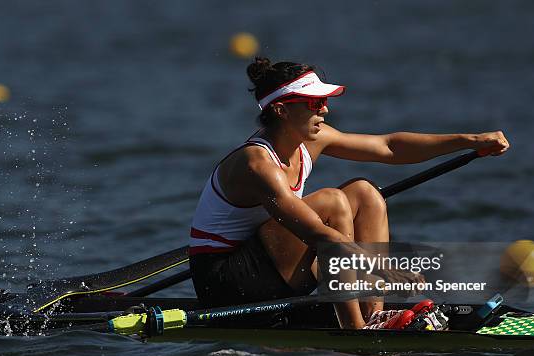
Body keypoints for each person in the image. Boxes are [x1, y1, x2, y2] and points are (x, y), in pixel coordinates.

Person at [188, 57, 509, 329]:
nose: (324, 110)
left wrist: (470, 140)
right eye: (314, 103)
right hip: (225, 285)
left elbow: (389, 147)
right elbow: (318, 234)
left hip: (267, 264)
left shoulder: (311, 139)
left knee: (365, 193)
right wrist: (383, 268)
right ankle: (356, 331)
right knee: (332, 202)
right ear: (283, 110)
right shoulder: (257, 164)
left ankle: (374, 313)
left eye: (324, 101)